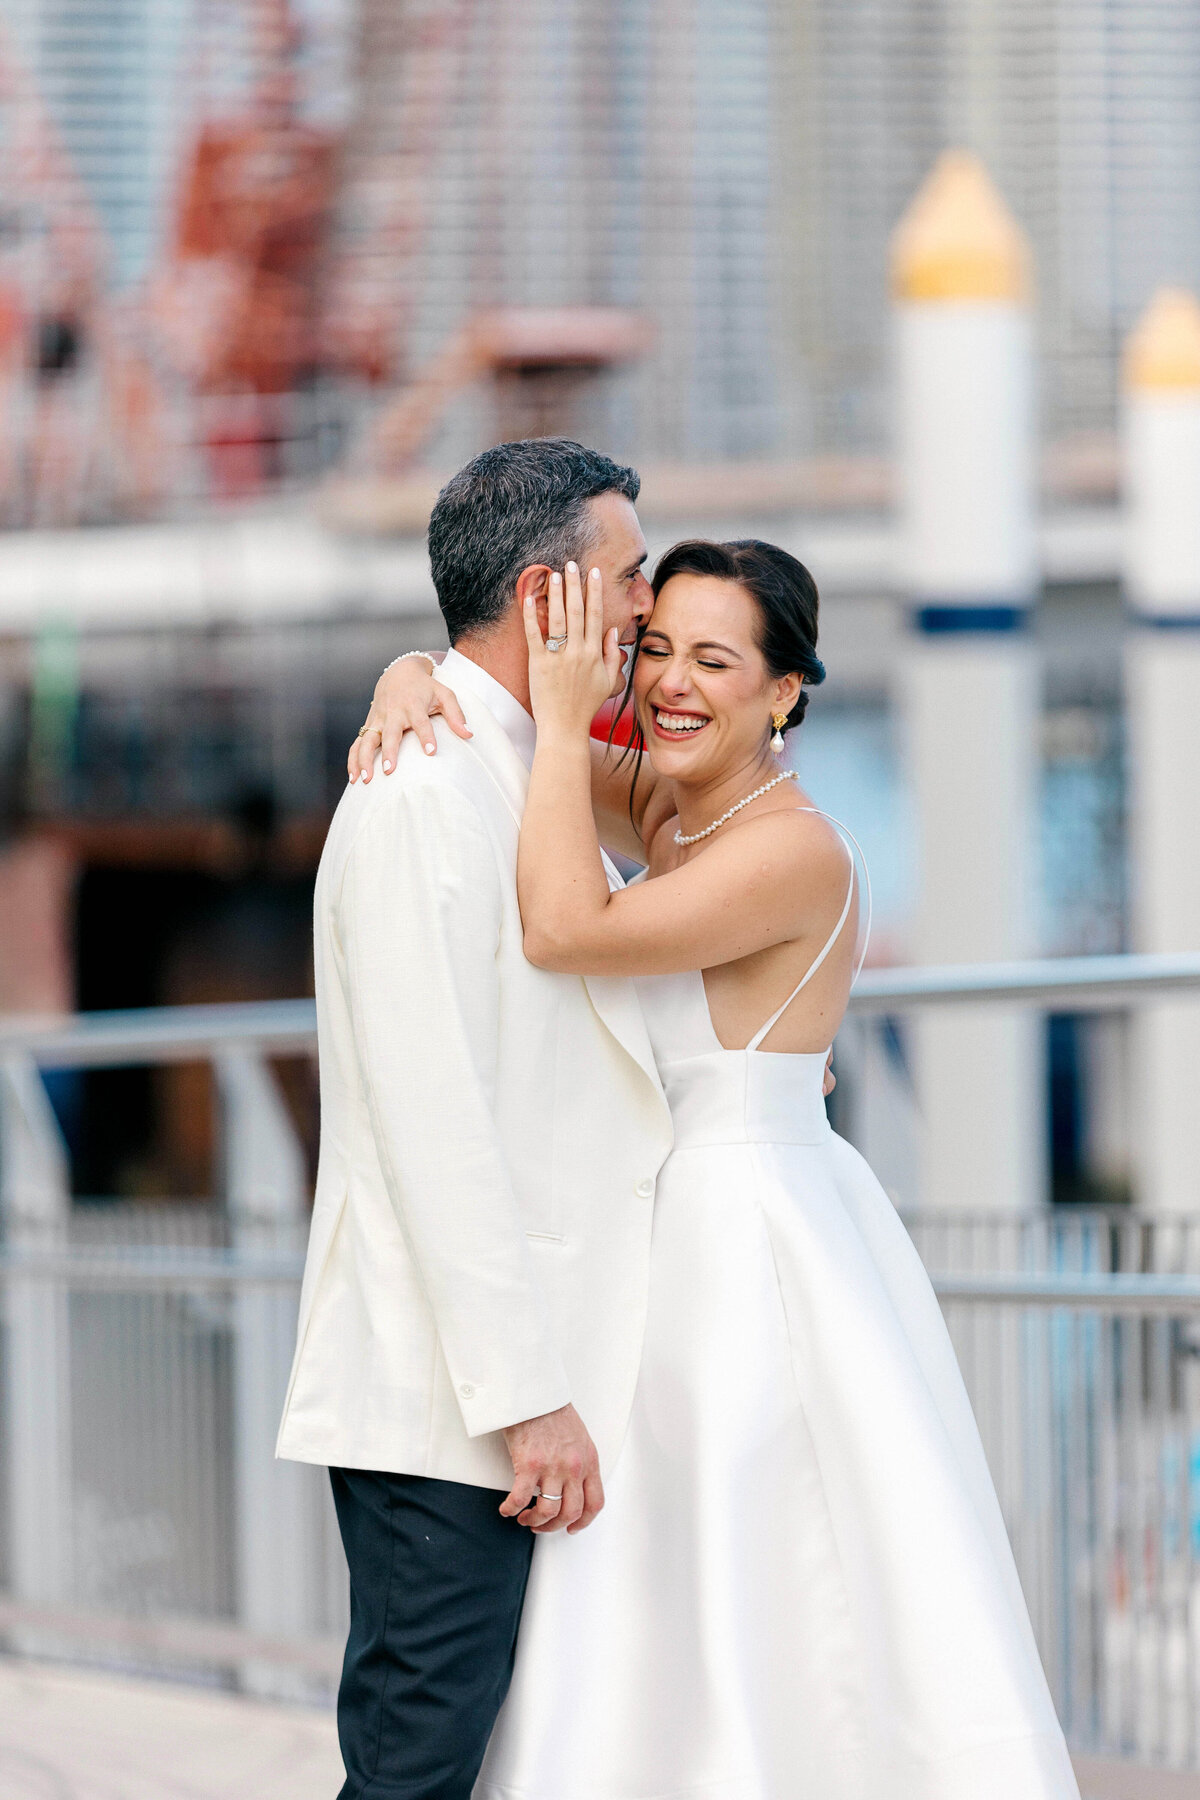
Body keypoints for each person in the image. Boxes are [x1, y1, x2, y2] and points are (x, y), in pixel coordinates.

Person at [365, 540, 1081, 1797]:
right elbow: (520, 743)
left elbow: (562, 927)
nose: (670, 684)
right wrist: (410, 672)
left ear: (784, 692)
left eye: (715, 660)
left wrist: (567, 703)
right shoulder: (673, 813)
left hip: (748, 1252)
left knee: (759, 1592)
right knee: (645, 1601)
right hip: (659, 1249)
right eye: (653, 652)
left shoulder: (792, 851)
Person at [276, 438, 678, 1800]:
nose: (648, 607)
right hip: (448, 1406)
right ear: (543, 594)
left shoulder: (518, 762)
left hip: (507, 1401)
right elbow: (429, 1118)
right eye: (627, 576)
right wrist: (528, 1398)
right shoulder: (422, 793)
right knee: (415, 1770)